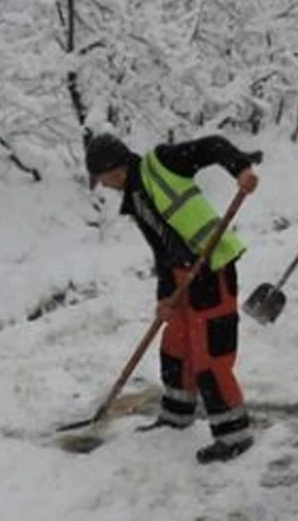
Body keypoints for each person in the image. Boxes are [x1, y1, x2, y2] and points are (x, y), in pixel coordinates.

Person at [85, 131, 259, 464]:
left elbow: (212, 145)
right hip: (180, 276)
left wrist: (241, 170)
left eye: (102, 178)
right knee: (176, 346)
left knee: (210, 356)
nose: (103, 185)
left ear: (114, 168)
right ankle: (177, 415)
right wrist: (164, 296)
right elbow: (162, 248)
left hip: (211, 269)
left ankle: (233, 434)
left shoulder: (161, 163)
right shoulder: (135, 196)